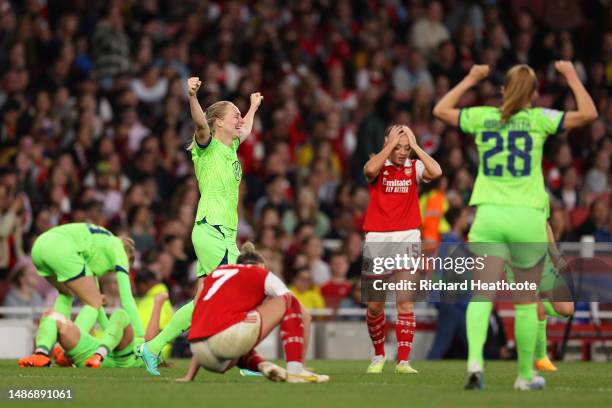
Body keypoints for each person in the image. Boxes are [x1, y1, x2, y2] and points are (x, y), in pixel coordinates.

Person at [433, 61, 597, 390]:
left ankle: (475, 364)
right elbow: (589, 114)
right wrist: (572, 77)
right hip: (526, 219)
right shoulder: (539, 119)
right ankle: (524, 376)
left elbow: (440, 109)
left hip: (490, 215)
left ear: (503, 90)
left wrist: (471, 77)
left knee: (481, 296)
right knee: (526, 299)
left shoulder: (483, 116)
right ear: (535, 94)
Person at [137, 76, 263, 375]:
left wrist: (252, 106)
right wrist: (192, 97)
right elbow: (200, 125)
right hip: (212, 229)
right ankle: (245, 358)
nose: (239, 119)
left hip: (224, 234)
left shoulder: (230, 147)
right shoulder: (205, 145)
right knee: (246, 284)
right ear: (218, 122)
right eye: (233, 114)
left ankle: (151, 348)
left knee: (202, 302)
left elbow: (246, 127)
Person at [178, 243, 329, 383]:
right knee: (289, 301)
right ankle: (296, 371)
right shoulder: (259, 273)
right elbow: (302, 313)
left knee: (236, 332)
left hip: (201, 353)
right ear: (262, 265)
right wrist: (300, 362)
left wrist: (189, 376)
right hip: (224, 346)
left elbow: (203, 322)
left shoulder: (217, 275)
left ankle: (264, 366)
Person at [362, 125, 442, 374]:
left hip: (408, 239)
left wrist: (416, 146)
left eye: (406, 148)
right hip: (377, 241)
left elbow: (436, 171)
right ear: (387, 142)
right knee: (375, 306)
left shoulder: (414, 166)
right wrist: (390, 145)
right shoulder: (378, 164)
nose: (402, 153)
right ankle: (378, 355)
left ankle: (403, 361)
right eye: (398, 147)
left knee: (405, 304)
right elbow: (369, 170)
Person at [18, 223, 143, 367]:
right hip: (61, 249)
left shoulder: (101, 243)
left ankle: (43, 352)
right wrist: (140, 337)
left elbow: (97, 304)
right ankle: (68, 351)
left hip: (39, 247)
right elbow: (127, 299)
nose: (110, 271)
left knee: (66, 294)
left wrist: (111, 334)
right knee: (93, 303)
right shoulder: (119, 251)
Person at [40, 292, 169, 368]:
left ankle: (67, 354)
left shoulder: (152, 355)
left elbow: (151, 342)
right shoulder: (122, 337)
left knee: (120, 315)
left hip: (121, 357)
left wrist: (158, 303)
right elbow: (110, 328)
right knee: (51, 315)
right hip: (95, 353)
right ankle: (41, 354)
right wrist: (98, 305)